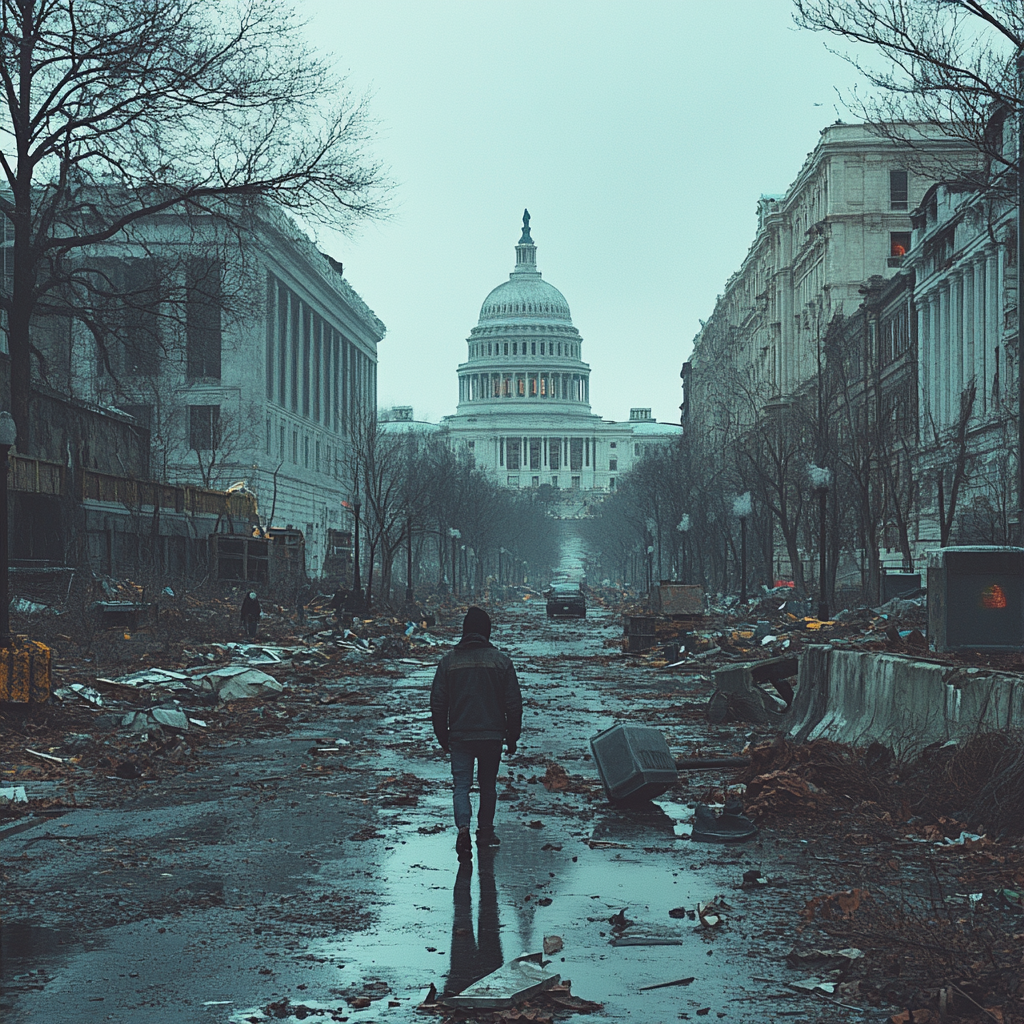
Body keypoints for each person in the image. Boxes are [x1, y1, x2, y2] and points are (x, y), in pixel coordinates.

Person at [431, 606, 522, 863]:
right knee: (488, 785)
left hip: (459, 735)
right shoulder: (501, 662)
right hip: (492, 736)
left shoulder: (448, 662)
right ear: (487, 631)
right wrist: (512, 736)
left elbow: (438, 703)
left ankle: (462, 829)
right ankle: (485, 833)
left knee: (461, 785)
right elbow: (513, 703)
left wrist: (442, 735)